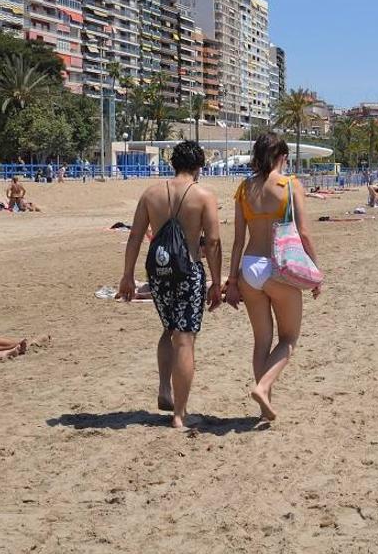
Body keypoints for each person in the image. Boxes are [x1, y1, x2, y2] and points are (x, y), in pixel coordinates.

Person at [116, 141, 223, 429]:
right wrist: (215, 280)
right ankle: (180, 414)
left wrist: (127, 275)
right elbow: (212, 241)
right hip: (188, 272)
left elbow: (135, 236)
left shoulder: (151, 194)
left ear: (172, 164)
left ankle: (165, 389)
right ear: (198, 166)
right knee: (185, 338)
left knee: (169, 329)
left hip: (159, 272)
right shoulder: (203, 195)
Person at [225, 133, 321, 422]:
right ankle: (264, 387)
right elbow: (303, 232)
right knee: (289, 338)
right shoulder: (290, 186)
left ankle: (264, 401)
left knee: (261, 340)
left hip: (250, 266)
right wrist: (316, 273)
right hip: (278, 267)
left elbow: (238, 240)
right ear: (282, 157)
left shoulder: (244, 189)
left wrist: (232, 281)